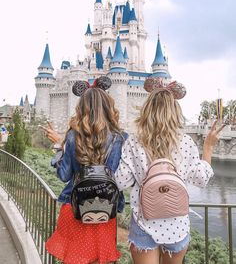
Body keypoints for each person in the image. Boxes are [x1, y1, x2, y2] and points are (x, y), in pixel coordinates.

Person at [114, 77, 225, 264]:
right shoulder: (186, 143)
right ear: (175, 112)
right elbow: (201, 179)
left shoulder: (134, 142)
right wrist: (208, 147)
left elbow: (120, 181)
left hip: (144, 221)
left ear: (147, 110)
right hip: (177, 224)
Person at [43, 76, 128, 264]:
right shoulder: (121, 137)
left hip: (75, 207)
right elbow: (122, 177)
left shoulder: (73, 135)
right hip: (105, 209)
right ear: (108, 106)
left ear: (81, 107)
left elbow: (64, 175)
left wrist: (59, 148)